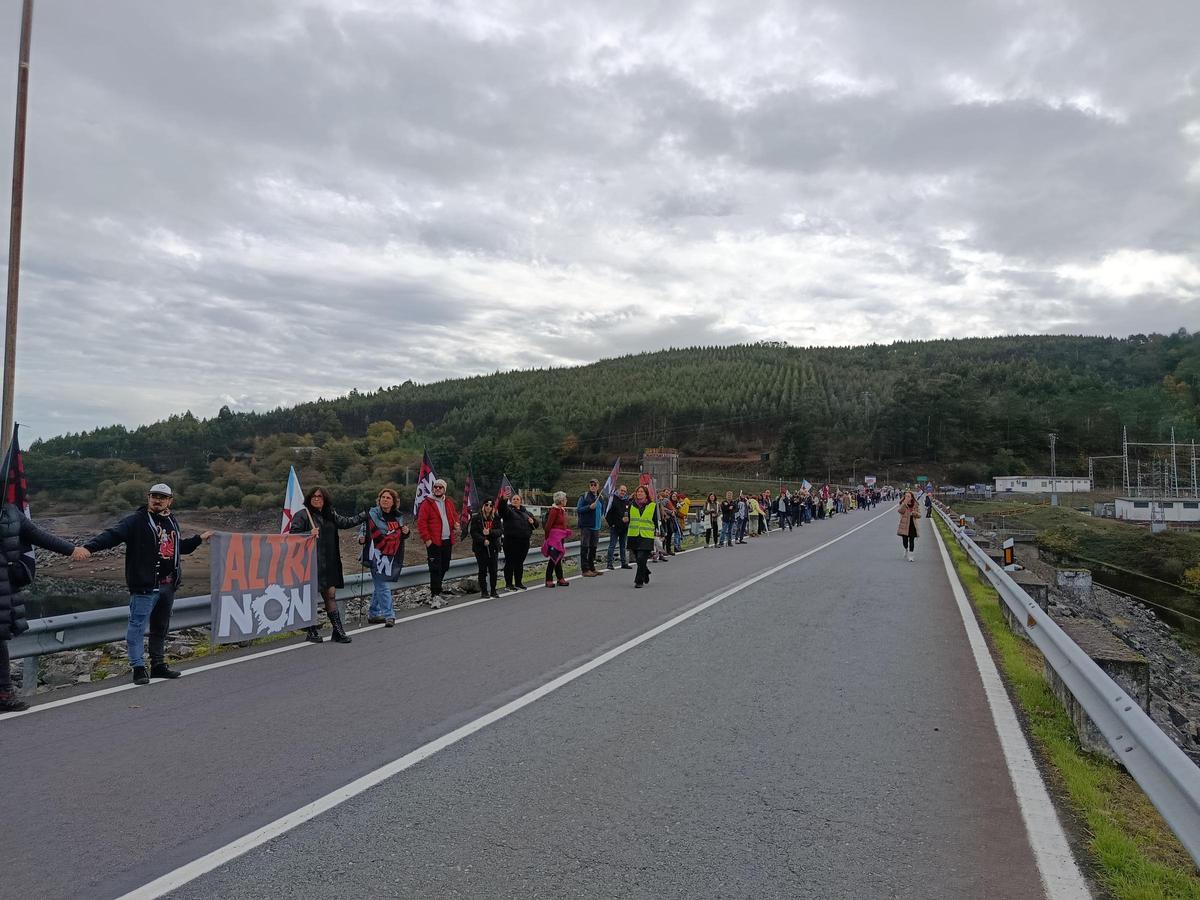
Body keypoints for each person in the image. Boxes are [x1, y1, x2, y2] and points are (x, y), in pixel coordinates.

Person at [84, 483, 214, 684]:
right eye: (154, 496)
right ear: (148, 497)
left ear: (170, 501)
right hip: (145, 586)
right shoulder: (136, 521)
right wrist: (88, 548)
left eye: (162, 497)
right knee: (136, 627)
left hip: (168, 585)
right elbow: (112, 536)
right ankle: (138, 667)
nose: (157, 500)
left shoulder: (171, 520)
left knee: (160, 628)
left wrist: (199, 539)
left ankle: (158, 665)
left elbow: (179, 548)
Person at [0, 505, 85, 711]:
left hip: (4, 590)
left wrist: (72, 549)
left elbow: (40, 536)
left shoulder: (11, 513)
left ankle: (4, 695)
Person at [290, 486, 367, 644]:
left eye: (320, 496)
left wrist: (365, 515)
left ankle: (337, 632)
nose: (316, 499)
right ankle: (311, 630)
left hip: (329, 562)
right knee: (310, 598)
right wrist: (307, 535)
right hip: (310, 564)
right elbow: (292, 537)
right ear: (309, 498)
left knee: (330, 595)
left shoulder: (330, 514)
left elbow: (346, 522)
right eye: (313, 496)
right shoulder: (302, 515)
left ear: (325, 499)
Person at [359, 488, 408, 627]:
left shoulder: (398, 516)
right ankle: (389, 615)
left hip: (390, 555)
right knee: (383, 583)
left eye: (388, 498)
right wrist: (361, 538)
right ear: (379, 500)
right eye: (383, 497)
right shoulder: (373, 513)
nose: (385, 500)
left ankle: (374, 613)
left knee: (379, 585)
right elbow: (364, 528)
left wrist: (406, 532)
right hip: (375, 555)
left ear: (394, 502)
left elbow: (400, 535)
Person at [416, 478, 460, 598]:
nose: (437, 489)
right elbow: (421, 523)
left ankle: (438, 588)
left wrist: (456, 524)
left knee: (445, 566)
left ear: (444, 489)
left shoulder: (448, 502)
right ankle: (435, 593)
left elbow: (454, 515)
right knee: (435, 568)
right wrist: (427, 540)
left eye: (440, 487)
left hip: (447, 540)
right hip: (434, 541)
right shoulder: (427, 503)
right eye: (435, 487)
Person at [498, 493, 538, 590]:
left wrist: (533, 521)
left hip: (524, 541)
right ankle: (508, 584)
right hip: (511, 541)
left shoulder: (527, 513)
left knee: (519, 562)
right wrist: (503, 500)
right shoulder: (509, 511)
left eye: (517, 499)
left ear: (521, 501)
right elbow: (502, 510)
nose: (515, 500)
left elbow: (535, 526)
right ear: (511, 501)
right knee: (510, 562)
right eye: (514, 499)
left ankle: (518, 583)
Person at [625, 485, 658, 588]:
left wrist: (659, 531)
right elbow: (628, 518)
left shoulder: (652, 505)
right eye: (638, 492)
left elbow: (655, 520)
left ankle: (639, 581)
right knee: (639, 559)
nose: (639, 493)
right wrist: (625, 520)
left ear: (646, 494)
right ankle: (645, 571)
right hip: (634, 535)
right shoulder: (631, 505)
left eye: (641, 492)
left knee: (641, 557)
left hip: (646, 535)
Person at [469, 498, 502, 598]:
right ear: (483, 506)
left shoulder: (496, 517)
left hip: (493, 548)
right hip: (480, 548)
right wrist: (483, 540)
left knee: (493, 570)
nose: (488, 507)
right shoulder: (477, 518)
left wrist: (490, 532)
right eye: (486, 505)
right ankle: (484, 591)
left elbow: (500, 531)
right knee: (482, 570)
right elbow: (473, 532)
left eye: (491, 505)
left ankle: (493, 590)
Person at [542, 491, 571, 587]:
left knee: (558, 557)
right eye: (565, 499)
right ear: (561, 500)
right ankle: (549, 579)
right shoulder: (554, 511)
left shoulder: (561, 510)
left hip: (560, 537)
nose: (566, 500)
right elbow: (548, 525)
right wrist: (547, 539)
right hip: (554, 538)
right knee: (554, 558)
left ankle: (560, 578)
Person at [576, 479, 603, 577]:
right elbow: (579, 509)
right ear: (589, 486)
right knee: (585, 548)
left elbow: (601, 510)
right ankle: (585, 569)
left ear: (598, 486)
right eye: (591, 484)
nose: (593, 486)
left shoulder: (601, 498)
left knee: (593, 548)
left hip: (596, 527)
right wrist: (589, 507)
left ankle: (592, 568)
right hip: (586, 526)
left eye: (595, 484)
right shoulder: (584, 496)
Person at [605, 484, 632, 570]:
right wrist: (611, 524)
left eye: (624, 491)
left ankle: (623, 563)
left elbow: (630, 513)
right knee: (612, 545)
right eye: (622, 490)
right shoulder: (612, 499)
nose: (623, 492)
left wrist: (628, 520)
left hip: (624, 527)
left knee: (623, 545)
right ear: (618, 490)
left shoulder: (627, 501)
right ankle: (609, 563)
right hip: (615, 527)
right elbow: (607, 513)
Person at [898, 490, 921, 561]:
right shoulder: (903, 503)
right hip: (904, 525)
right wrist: (904, 504)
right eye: (905, 496)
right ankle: (906, 549)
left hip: (912, 525)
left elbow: (919, 515)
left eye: (908, 496)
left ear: (911, 497)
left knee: (912, 540)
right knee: (904, 541)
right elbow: (900, 511)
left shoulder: (916, 504)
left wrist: (914, 513)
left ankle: (911, 556)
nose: (907, 497)